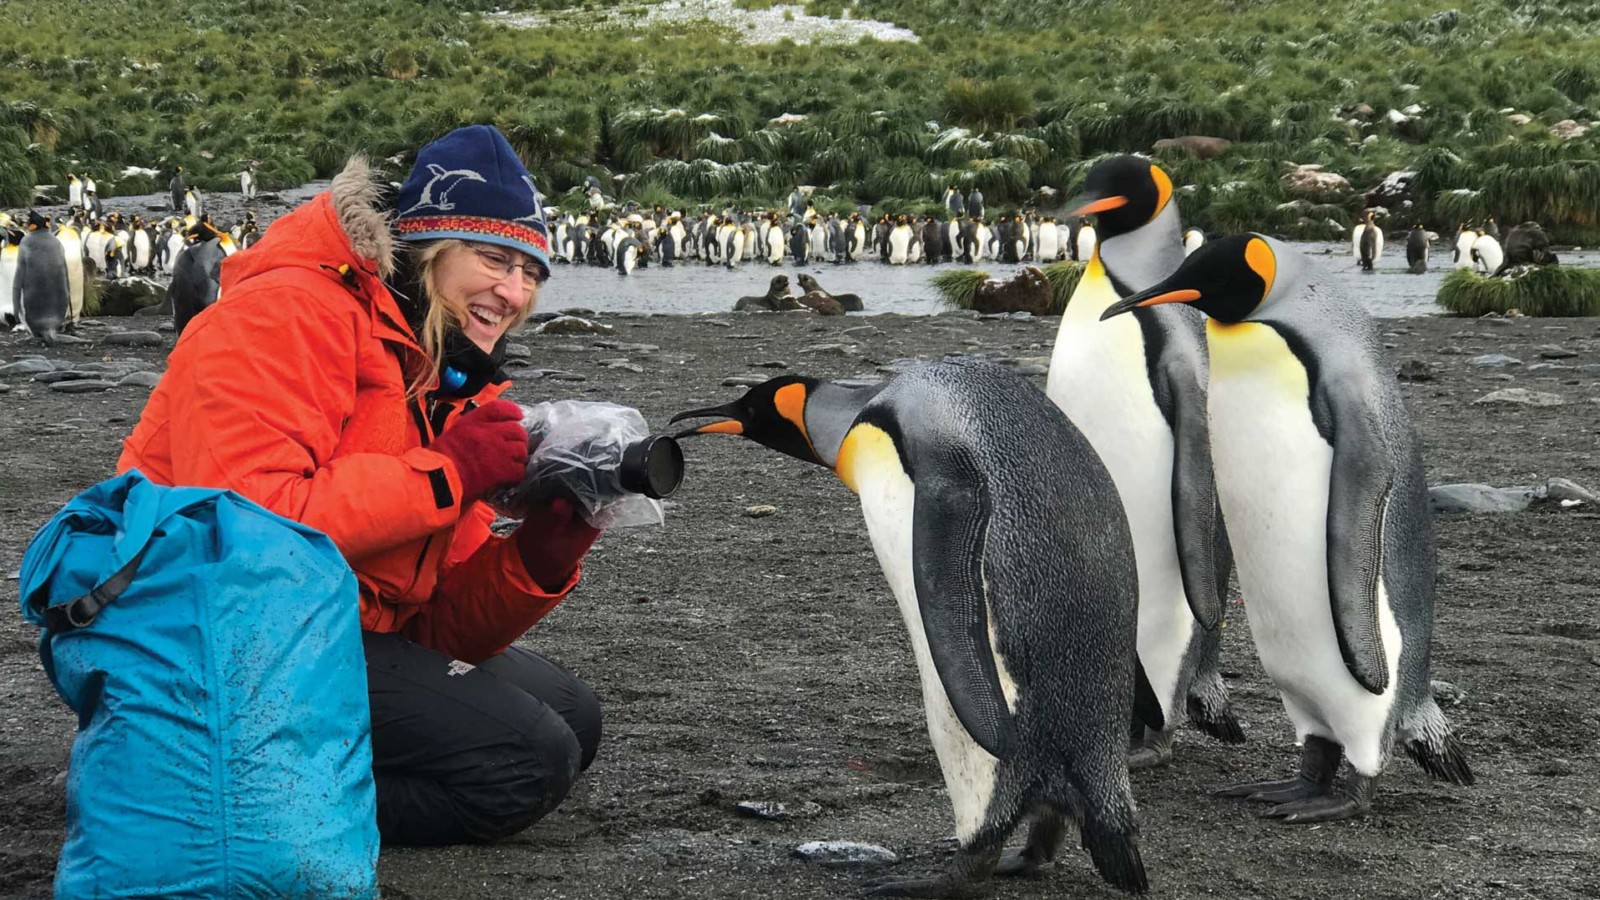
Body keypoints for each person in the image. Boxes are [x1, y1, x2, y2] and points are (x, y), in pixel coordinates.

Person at [116, 125, 604, 846]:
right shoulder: (288, 310)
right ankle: (205, 791)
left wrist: (540, 556)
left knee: (572, 716)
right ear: (428, 250)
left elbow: (434, 619)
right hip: (206, 634)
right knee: (524, 761)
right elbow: (242, 526)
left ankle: (264, 769)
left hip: (320, 626)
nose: (515, 290)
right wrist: (451, 473)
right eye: (495, 260)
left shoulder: (438, 369)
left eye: (532, 272)